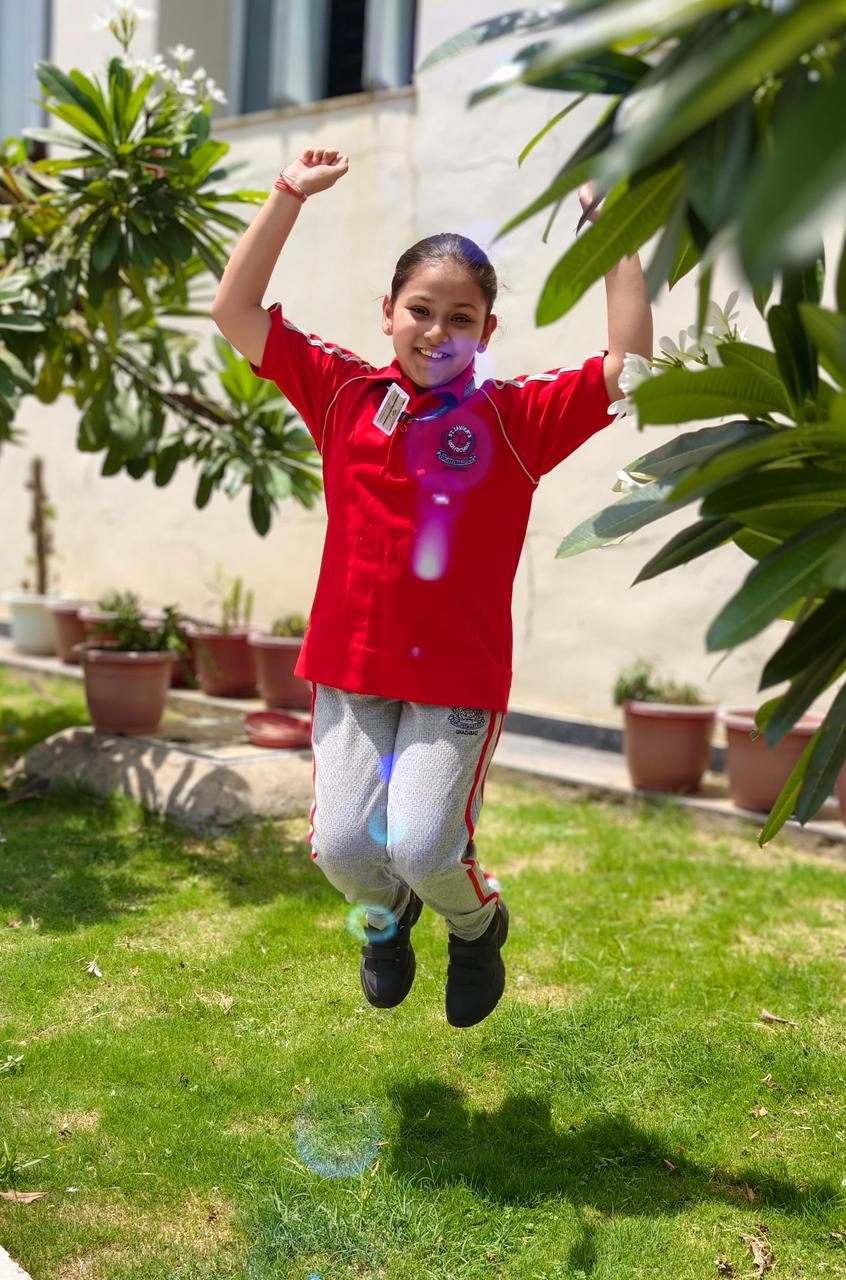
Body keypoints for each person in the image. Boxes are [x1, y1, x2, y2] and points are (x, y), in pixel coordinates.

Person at [212, 147, 652, 1028]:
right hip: (351, 668)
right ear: (388, 313)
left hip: (456, 677)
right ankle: (387, 924)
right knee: (342, 849)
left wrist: (610, 226)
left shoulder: (515, 417)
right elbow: (234, 311)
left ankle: (476, 926)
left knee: (420, 845)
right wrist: (288, 193)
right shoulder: (341, 391)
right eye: (420, 309)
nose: (437, 330)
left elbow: (629, 363)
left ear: (487, 331)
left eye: (461, 317)